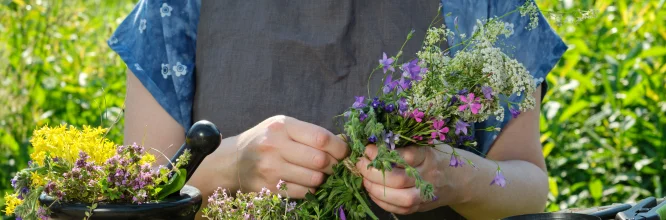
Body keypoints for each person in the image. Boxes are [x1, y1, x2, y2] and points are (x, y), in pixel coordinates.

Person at [109, 0, 566, 219]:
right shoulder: (176, 10)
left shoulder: (484, 8)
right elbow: (134, 200)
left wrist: (456, 176)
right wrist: (229, 165)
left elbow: (528, 184)